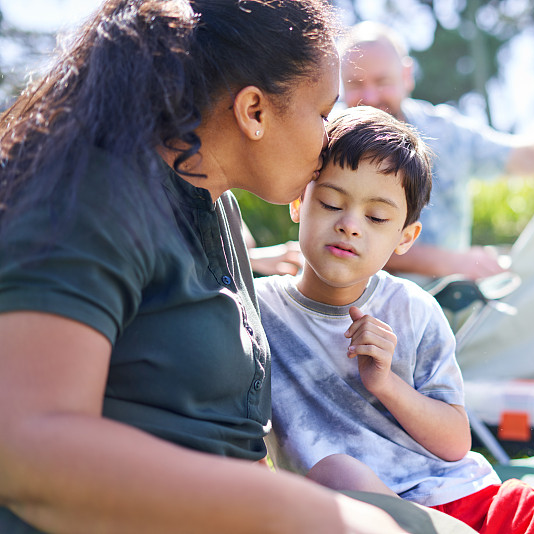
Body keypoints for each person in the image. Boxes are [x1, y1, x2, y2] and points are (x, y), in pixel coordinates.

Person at [0, 2, 473, 533]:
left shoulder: (214, 207)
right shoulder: (92, 197)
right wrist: (294, 509)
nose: (326, 147)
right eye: (322, 114)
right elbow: (27, 449)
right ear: (254, 112)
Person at [257, 106, 534, 534]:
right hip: (373, 518)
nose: (351, 225)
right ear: (299, 202)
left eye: (376, 217)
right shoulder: (256, 312)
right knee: (339, 473)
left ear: (405, 237)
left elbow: (454, 442)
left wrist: (387, 384)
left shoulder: (412, 309)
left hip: (470, 500)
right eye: (333, 203)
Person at [338, 21, 534, 282]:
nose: (371, 97)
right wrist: (451, 262)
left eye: (382, 81)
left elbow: (529, 157)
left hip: (447, 309)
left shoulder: (447, 133)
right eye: (356, 84)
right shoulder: (330, 143)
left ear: (407, 75)